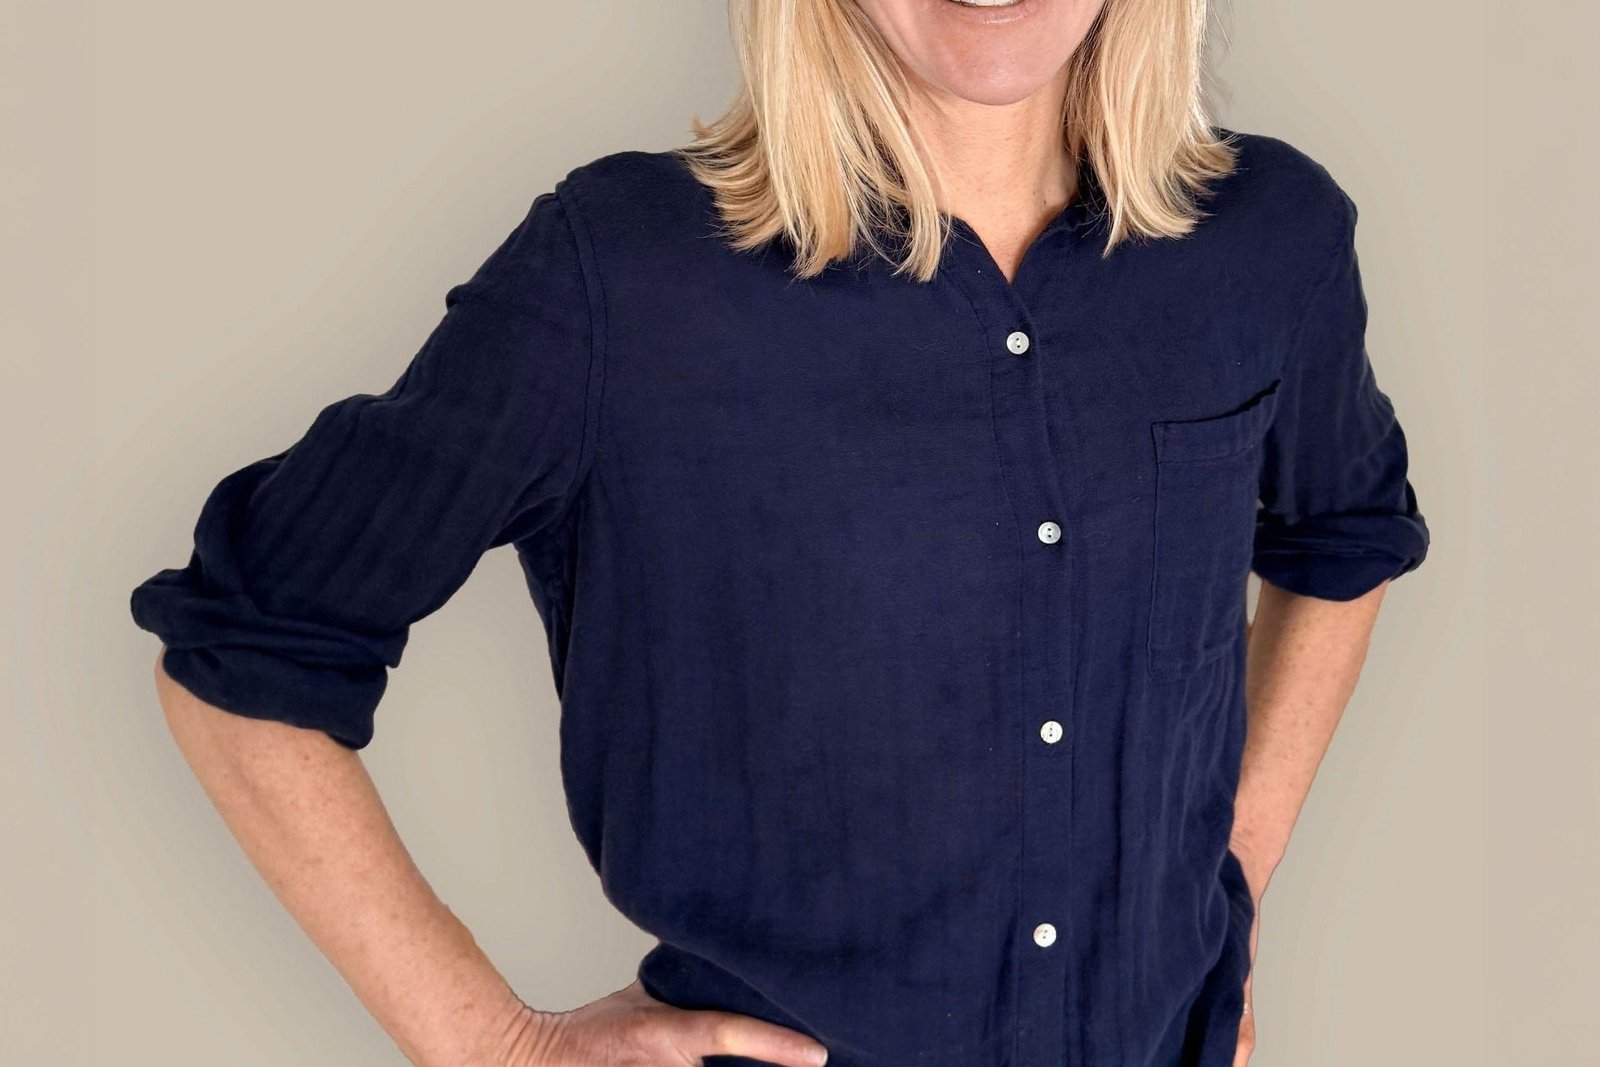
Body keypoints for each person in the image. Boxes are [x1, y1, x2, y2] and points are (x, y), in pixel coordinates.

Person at [127, 1, 1431, 1065]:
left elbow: (1344, 538)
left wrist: (1226, 883)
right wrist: (496, 1047)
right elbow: (248, 654)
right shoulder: (621, 280)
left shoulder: (1274, 244)